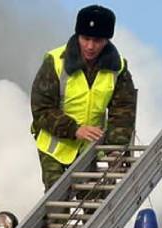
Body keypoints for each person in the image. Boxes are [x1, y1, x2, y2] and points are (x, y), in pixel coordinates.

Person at [30, 4, 137, 189]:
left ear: (107, 40)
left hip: (89, 149)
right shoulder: (55, 61)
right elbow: (41, 109)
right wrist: (75, 129)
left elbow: (123, 112)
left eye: (97, 40)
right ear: (77, 35)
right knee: (57, 202)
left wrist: (115, 149)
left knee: (95, 204)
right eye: (85, 38)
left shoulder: (117, 68)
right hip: (53, 147)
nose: (90, 46)